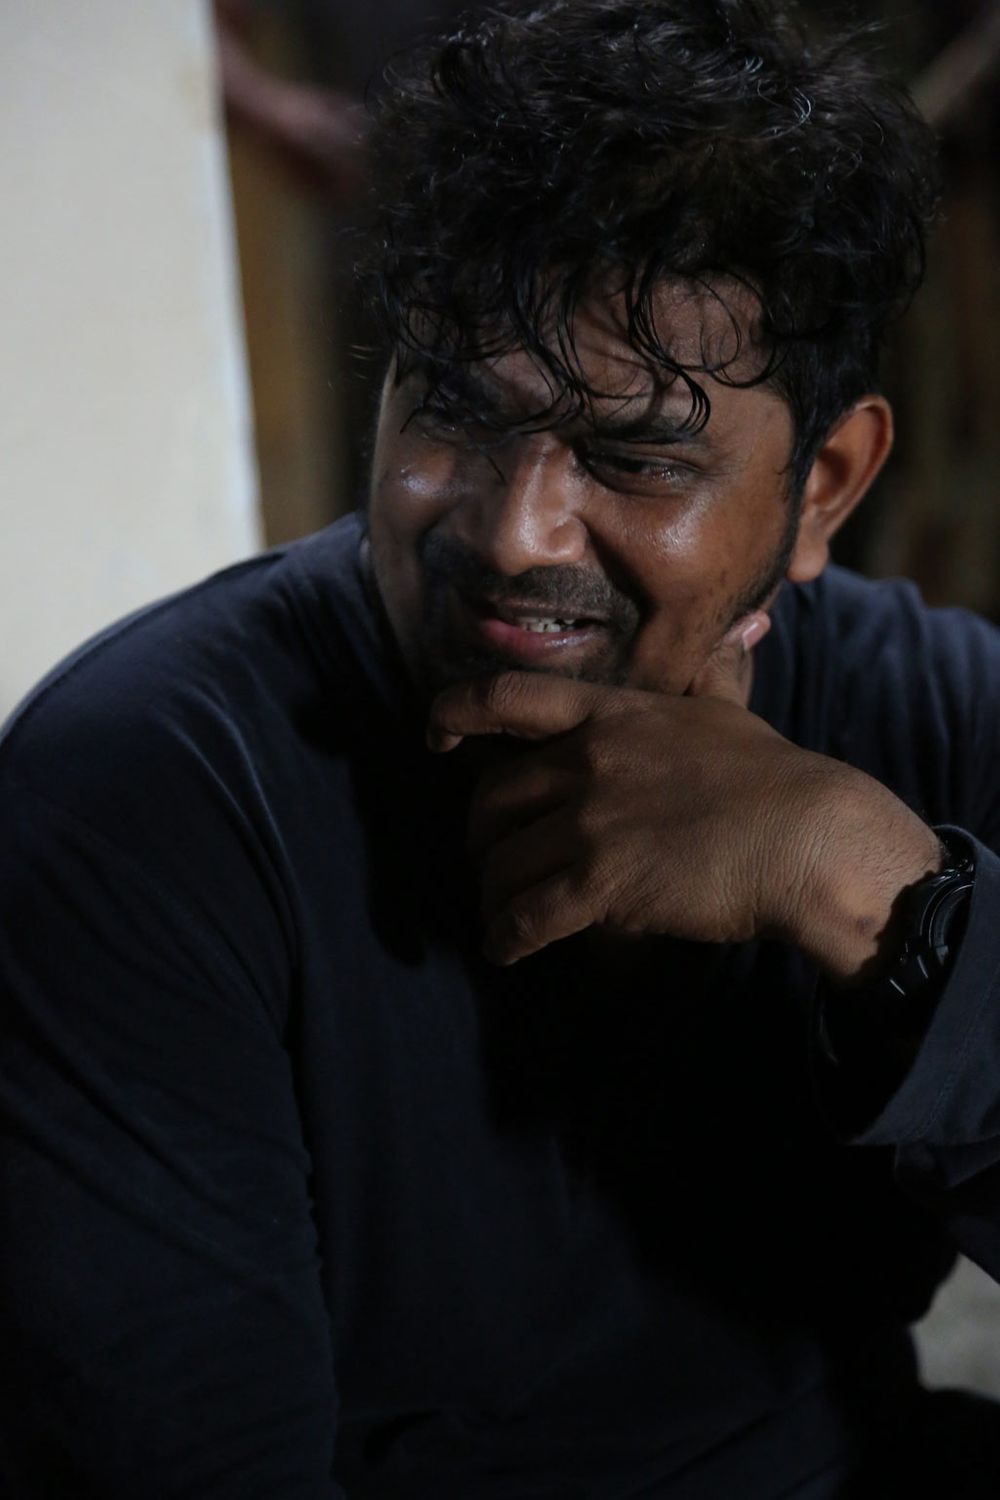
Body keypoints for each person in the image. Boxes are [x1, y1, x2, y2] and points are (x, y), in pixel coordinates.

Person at [2, 1, 999, 1494]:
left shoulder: (930, 712)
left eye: (638, 454)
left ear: (826, 487)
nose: (515, 531)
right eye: (456, 414)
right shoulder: (143, 798)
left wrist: (879, 898)